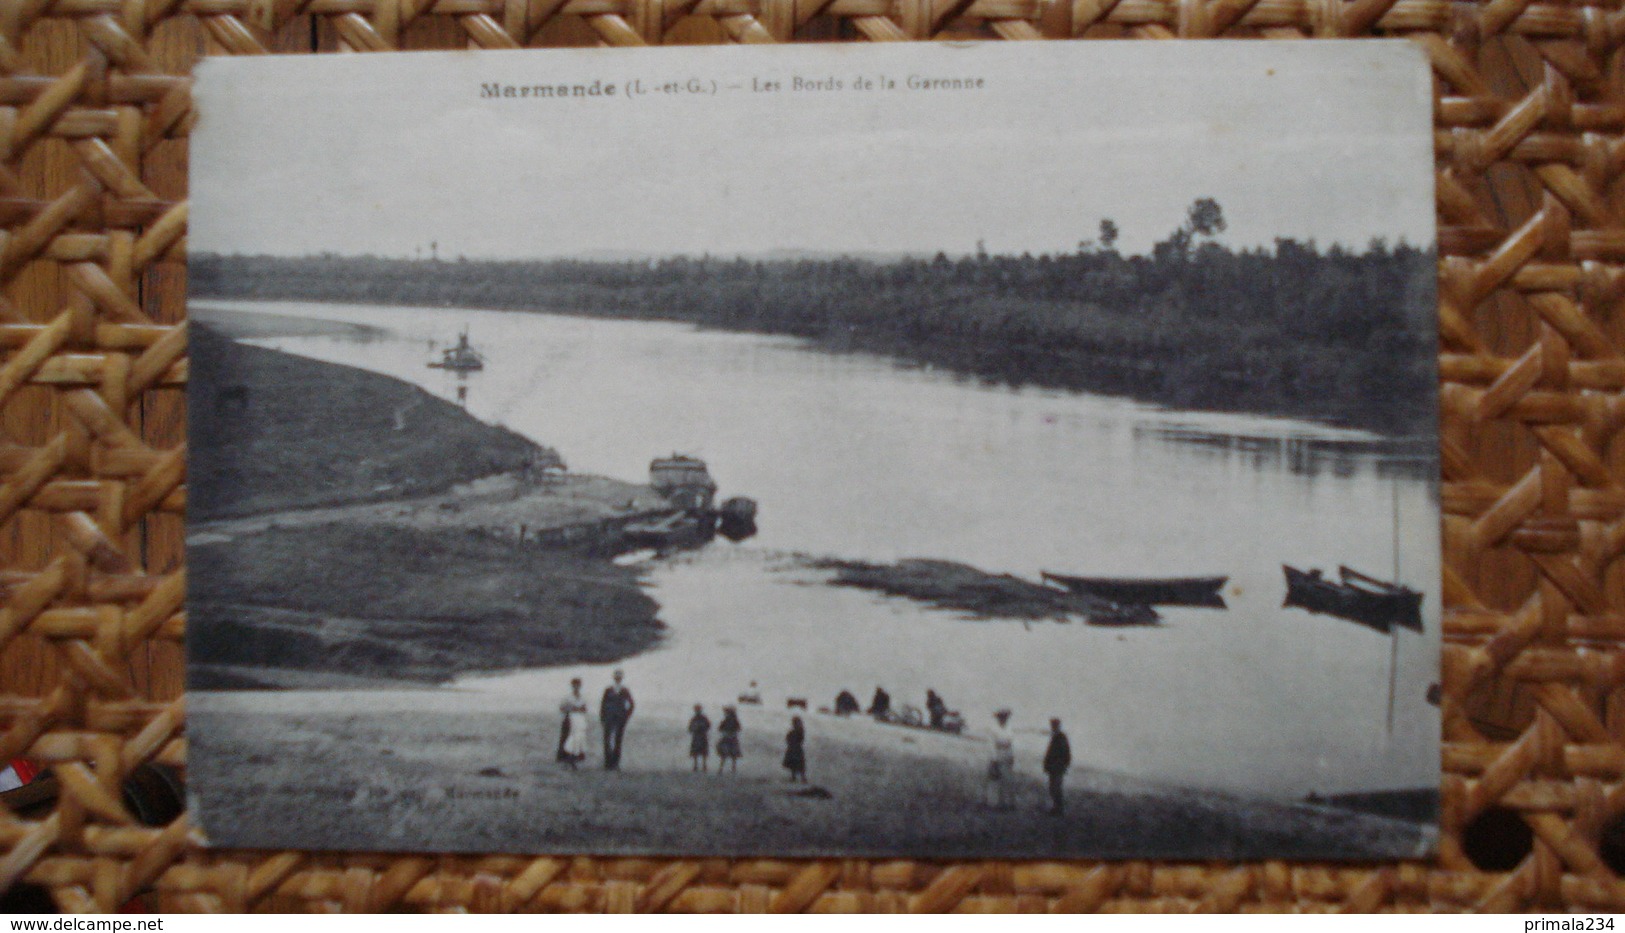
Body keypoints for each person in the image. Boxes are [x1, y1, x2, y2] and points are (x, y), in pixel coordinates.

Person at [599, 669, 635, 771]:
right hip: (609, 717)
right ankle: (608, 762)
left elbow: (631, 704)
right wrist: (602, 717)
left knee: (618, 740)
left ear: (621, 678)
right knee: (607, 739)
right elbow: (603, 704)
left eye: (619, 677)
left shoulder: (625, 690)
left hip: (620, 718)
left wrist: (626, 715)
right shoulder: (608, 690)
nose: (618, 679)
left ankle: (615, 762)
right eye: (616, 677)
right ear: (614, 678)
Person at [985, 709, 1016, 811]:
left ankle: (1006, 803)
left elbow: (1011, 743)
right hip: (997, 755)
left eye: (1005, 718)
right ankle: (993, 803)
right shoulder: (993, 729)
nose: (1004, 719)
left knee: (1007, 779)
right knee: (994, 779)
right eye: (1001, 717)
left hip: (1007, 754)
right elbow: (991, 744)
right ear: (998, 718)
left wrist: (1011, 756)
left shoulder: (1009, 728)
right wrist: (994, 759)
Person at [557, 678, 589, 770]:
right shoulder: (568, 697)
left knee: (579, 737)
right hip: (570, 718)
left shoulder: (582, 697)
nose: (576, 687)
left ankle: (576, 757)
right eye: (575, 685)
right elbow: (562, 708)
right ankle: (568, 758)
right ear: (572, 686)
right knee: (570, 737)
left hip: (580, 719)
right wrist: (572, 709)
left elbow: (585, 709)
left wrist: (580, 709)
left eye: (578, 685)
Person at [1042, 718, 1071, 816]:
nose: (1053, 727)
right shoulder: (1057, 737)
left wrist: (1063, 765)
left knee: (1056, 788)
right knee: (1053, 788)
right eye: (1052, 726)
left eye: (1054, 726)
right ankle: (1056, 808)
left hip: (1057, 768)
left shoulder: (1060, 737)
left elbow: (1065, 754)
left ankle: (1059, 809)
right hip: (1054, 767)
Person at [717, 706, 742, 774]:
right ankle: (733, 768)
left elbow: (720, 728)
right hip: (732, 737)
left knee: (724, 754)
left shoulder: (726, 720)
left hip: (727, 737)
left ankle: (721, 768)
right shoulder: (734, 720)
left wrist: (726, 732)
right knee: (732, 754)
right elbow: (739, 728)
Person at [783, 716, 807, 783]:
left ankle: (802, 778)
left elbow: (799, 739)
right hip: (794, 749)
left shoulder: (799, 731)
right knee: (794, 764)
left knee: (799, 764)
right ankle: (795, 777)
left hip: (796, 750)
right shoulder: (796, 731)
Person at [688, 705, 711, 772]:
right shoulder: (695, 718)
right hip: (698, 736)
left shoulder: (702, 718)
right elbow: (690, 728)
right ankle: (697, 766)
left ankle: (703, 766)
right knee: (696, 752)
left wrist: (701, 728)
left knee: (702, 752)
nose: (697, 711)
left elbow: (708, 726)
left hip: (701, 735)